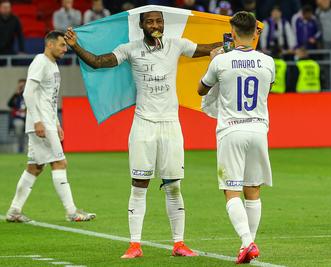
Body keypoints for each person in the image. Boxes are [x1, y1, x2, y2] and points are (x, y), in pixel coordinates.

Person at [64, 10, 221, 258]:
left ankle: (179, 244)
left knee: (173, 186)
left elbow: (207, 48)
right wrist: (75, 46)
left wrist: (234, 37)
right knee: (139, 185)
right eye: (150, 21)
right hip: (143, 124)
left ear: (163, 24)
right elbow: (97, 62)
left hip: (170, 124)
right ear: (141, 25)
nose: (155, 25)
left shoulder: (176, 45)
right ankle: (135, 245)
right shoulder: (130, 49)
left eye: (159, 21)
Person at [198, 11, 274, 264]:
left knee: (231, 191)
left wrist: (212, 61)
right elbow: (268, 87)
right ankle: (248, 247)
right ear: (255, 33)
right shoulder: (268, 61)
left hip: (231, 129)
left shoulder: (221, 61)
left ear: (232, 33)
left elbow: (201, 89)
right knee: (253, 190)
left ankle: (247, 242)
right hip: (258, 130)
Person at [5, 31, 96, 223]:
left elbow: (49, 99)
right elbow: (28, 93)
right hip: (41, 123)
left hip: (47, 121)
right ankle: (72, 212)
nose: (65, 49)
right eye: (62, 45)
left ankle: (14, 211)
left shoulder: (52, 65)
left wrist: (57, 122)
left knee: (35, 168)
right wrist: (38, 121)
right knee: (60, 163)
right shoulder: (40, 62)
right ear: (50, 44)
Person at [8, 79, 27, 153]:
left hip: (29, 118)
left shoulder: (28, 94)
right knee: (19, 126)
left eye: (23, 85)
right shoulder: (16, 96)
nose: (22, 87)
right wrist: (16, 94)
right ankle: (19, 150)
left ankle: (30, 150)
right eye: (21, 85)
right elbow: (9, 104)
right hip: (19, 118)